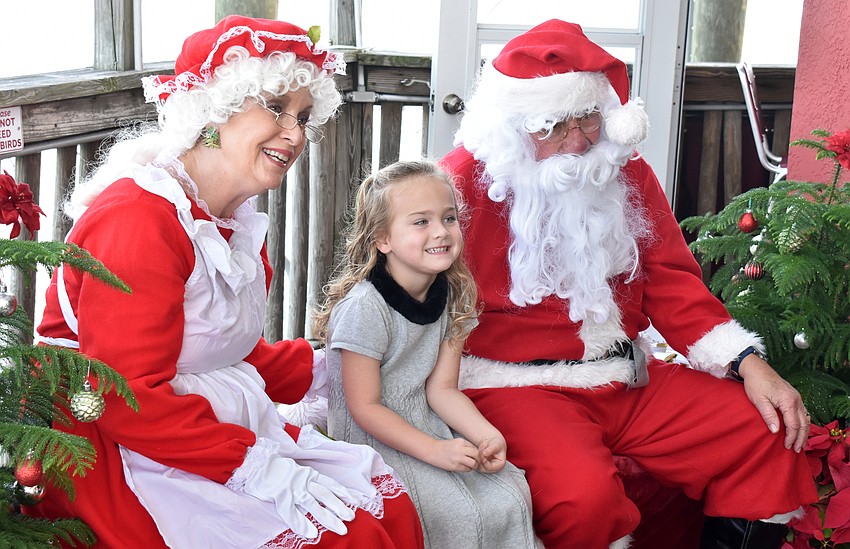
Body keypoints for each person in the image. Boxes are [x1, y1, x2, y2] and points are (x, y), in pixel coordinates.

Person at [27, 16, 423, 549]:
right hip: (116, 448)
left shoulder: (229, 220)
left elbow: (216, 348)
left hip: (196, 426)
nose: (295, 134)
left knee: (387, 505)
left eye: (304, 117)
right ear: (215, 110)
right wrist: (257, 469)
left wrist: (335, 366)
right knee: (347, 538)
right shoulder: (139, 219)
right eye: (276, 108)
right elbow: (126, 395)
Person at [438, 19, 818, 549]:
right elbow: (409, 297)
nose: (577, 142)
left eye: (589, 119)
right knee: (584, 502)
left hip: (626, 378)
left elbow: (671, 282)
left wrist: (748, 364)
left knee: (764, 435)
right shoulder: (456, 183)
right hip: (515, 387)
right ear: (512, 127)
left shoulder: (621, 170)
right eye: (553, 126)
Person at [313, 160, 539, 549]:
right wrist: (435, 451)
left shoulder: (451, 295)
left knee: (509, 494)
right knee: (451, 512)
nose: (441, 231)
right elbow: (365, 408)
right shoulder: (365, 308)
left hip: (427, 424)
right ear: (382, 239)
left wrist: (486, 435)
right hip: (373, 439)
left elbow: (442, 390)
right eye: (421, 222)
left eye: (449, 218)